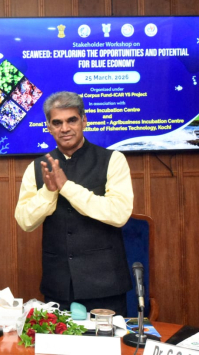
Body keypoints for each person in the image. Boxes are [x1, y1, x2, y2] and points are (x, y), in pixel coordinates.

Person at [14, 91, 133, 316]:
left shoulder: (113, 160)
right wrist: (49, 192)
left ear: (84, 121)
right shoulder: (36, 167)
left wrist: (66, 187)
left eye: (72, 120)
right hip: (58, 287)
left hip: (105, 285)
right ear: (49, 127)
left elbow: (118, 214)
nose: (65, 128)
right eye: (57, 123)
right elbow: (25, 221)